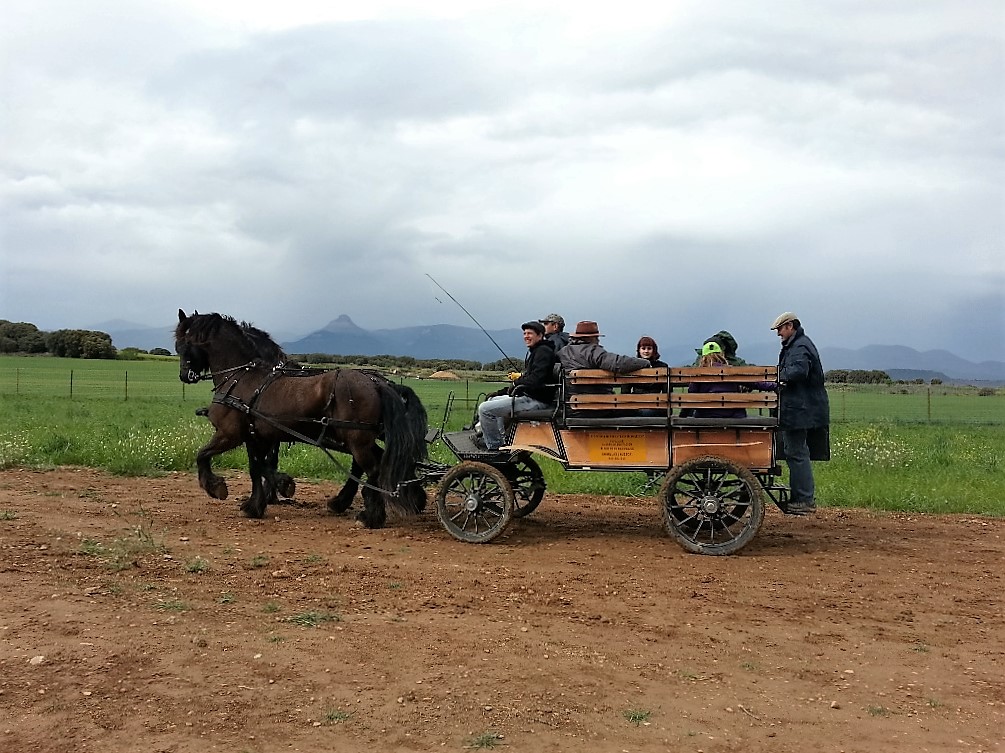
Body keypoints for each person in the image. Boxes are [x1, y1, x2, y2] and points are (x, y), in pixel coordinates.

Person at [771, 311, 830, 516]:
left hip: (800, 409)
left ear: (790, 326)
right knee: (794, 452)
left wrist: (777, 378)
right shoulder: (799, 344)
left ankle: (804, 499)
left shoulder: (800, 346)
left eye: (780, 329)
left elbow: (798, 371)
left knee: (796, 452)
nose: (778, 333)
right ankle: (801, 498)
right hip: (801, 408)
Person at [476, 321, 558, 451]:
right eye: (524, 333)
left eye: (530, 333)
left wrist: (516, 383)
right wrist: (504, 390)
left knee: (484, 409)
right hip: (531, 396)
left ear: (540, 335)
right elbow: (528, 378)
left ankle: (494, 447)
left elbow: (535, 380)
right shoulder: (538, 351)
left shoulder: (543, 352)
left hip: (536, 401)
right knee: (491, 400)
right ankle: (502, 440)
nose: (526, 336)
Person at [679, 341, 775, 418]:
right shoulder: (731, 370)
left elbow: (691, 398)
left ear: (703, 357)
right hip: (733, 415)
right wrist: (775, 385)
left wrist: (682, 417)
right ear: (721, 354)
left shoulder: (699, 374)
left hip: (706, 416)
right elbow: (754, 383)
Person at [558, 321, 651, 393]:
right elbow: (618, 363)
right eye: (596, 337)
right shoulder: (593, 351)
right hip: (597, 406)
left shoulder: (563, 352)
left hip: (570, 406)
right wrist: (644, 362)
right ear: (592, 338)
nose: (598, 340)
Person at [624, 336, 669, 416]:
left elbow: (667, 391)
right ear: (639, 350)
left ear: (653, 350)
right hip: (637, 405)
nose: (646, 351)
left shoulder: (662, 367)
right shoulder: (632, 366)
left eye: (649, 348)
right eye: (643, 348)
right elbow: (625, 391)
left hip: (655, 405)